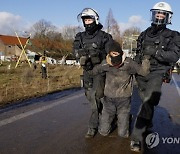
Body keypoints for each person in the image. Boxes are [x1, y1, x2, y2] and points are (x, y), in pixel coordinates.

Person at [130, 2, 180, 152]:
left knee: (147, 102)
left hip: (157, 73)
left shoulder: (174, 35)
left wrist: (156, 53)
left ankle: (137, 138)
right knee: (147, 102)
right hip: (142, 74)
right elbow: (138, 53)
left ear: (167, 17)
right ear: (153, 14)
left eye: (162, 14)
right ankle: (148, 121)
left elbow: (174, 56)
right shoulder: (144, 33)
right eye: (157, 13)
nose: (159, 16)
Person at [89, 40, 150, 138]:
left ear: (120, 53)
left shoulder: (128, 62)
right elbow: (94, 71)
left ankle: (126, 119)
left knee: (122, 134)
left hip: (124, 101)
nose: (114, 56)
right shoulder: (105, 63)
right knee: (103, 132)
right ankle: (112, 120)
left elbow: (144, 72)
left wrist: (146, 59)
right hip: (108, 100)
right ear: (109, 54)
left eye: (116, 53)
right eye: (112, 53)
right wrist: (87, 65)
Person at [73, 8, 113, 138]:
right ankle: (105, 115)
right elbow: (75, 51)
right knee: (90, 97)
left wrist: (99, 59)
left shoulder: (104, 36)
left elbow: (110, 53)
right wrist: (81, 56)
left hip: (100, 71)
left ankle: (92, 126)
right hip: (87, 71)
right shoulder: (80, 37)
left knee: (96, 96)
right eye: (85, 20)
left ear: (95, 20)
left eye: (89, 19)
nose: (87, 22)